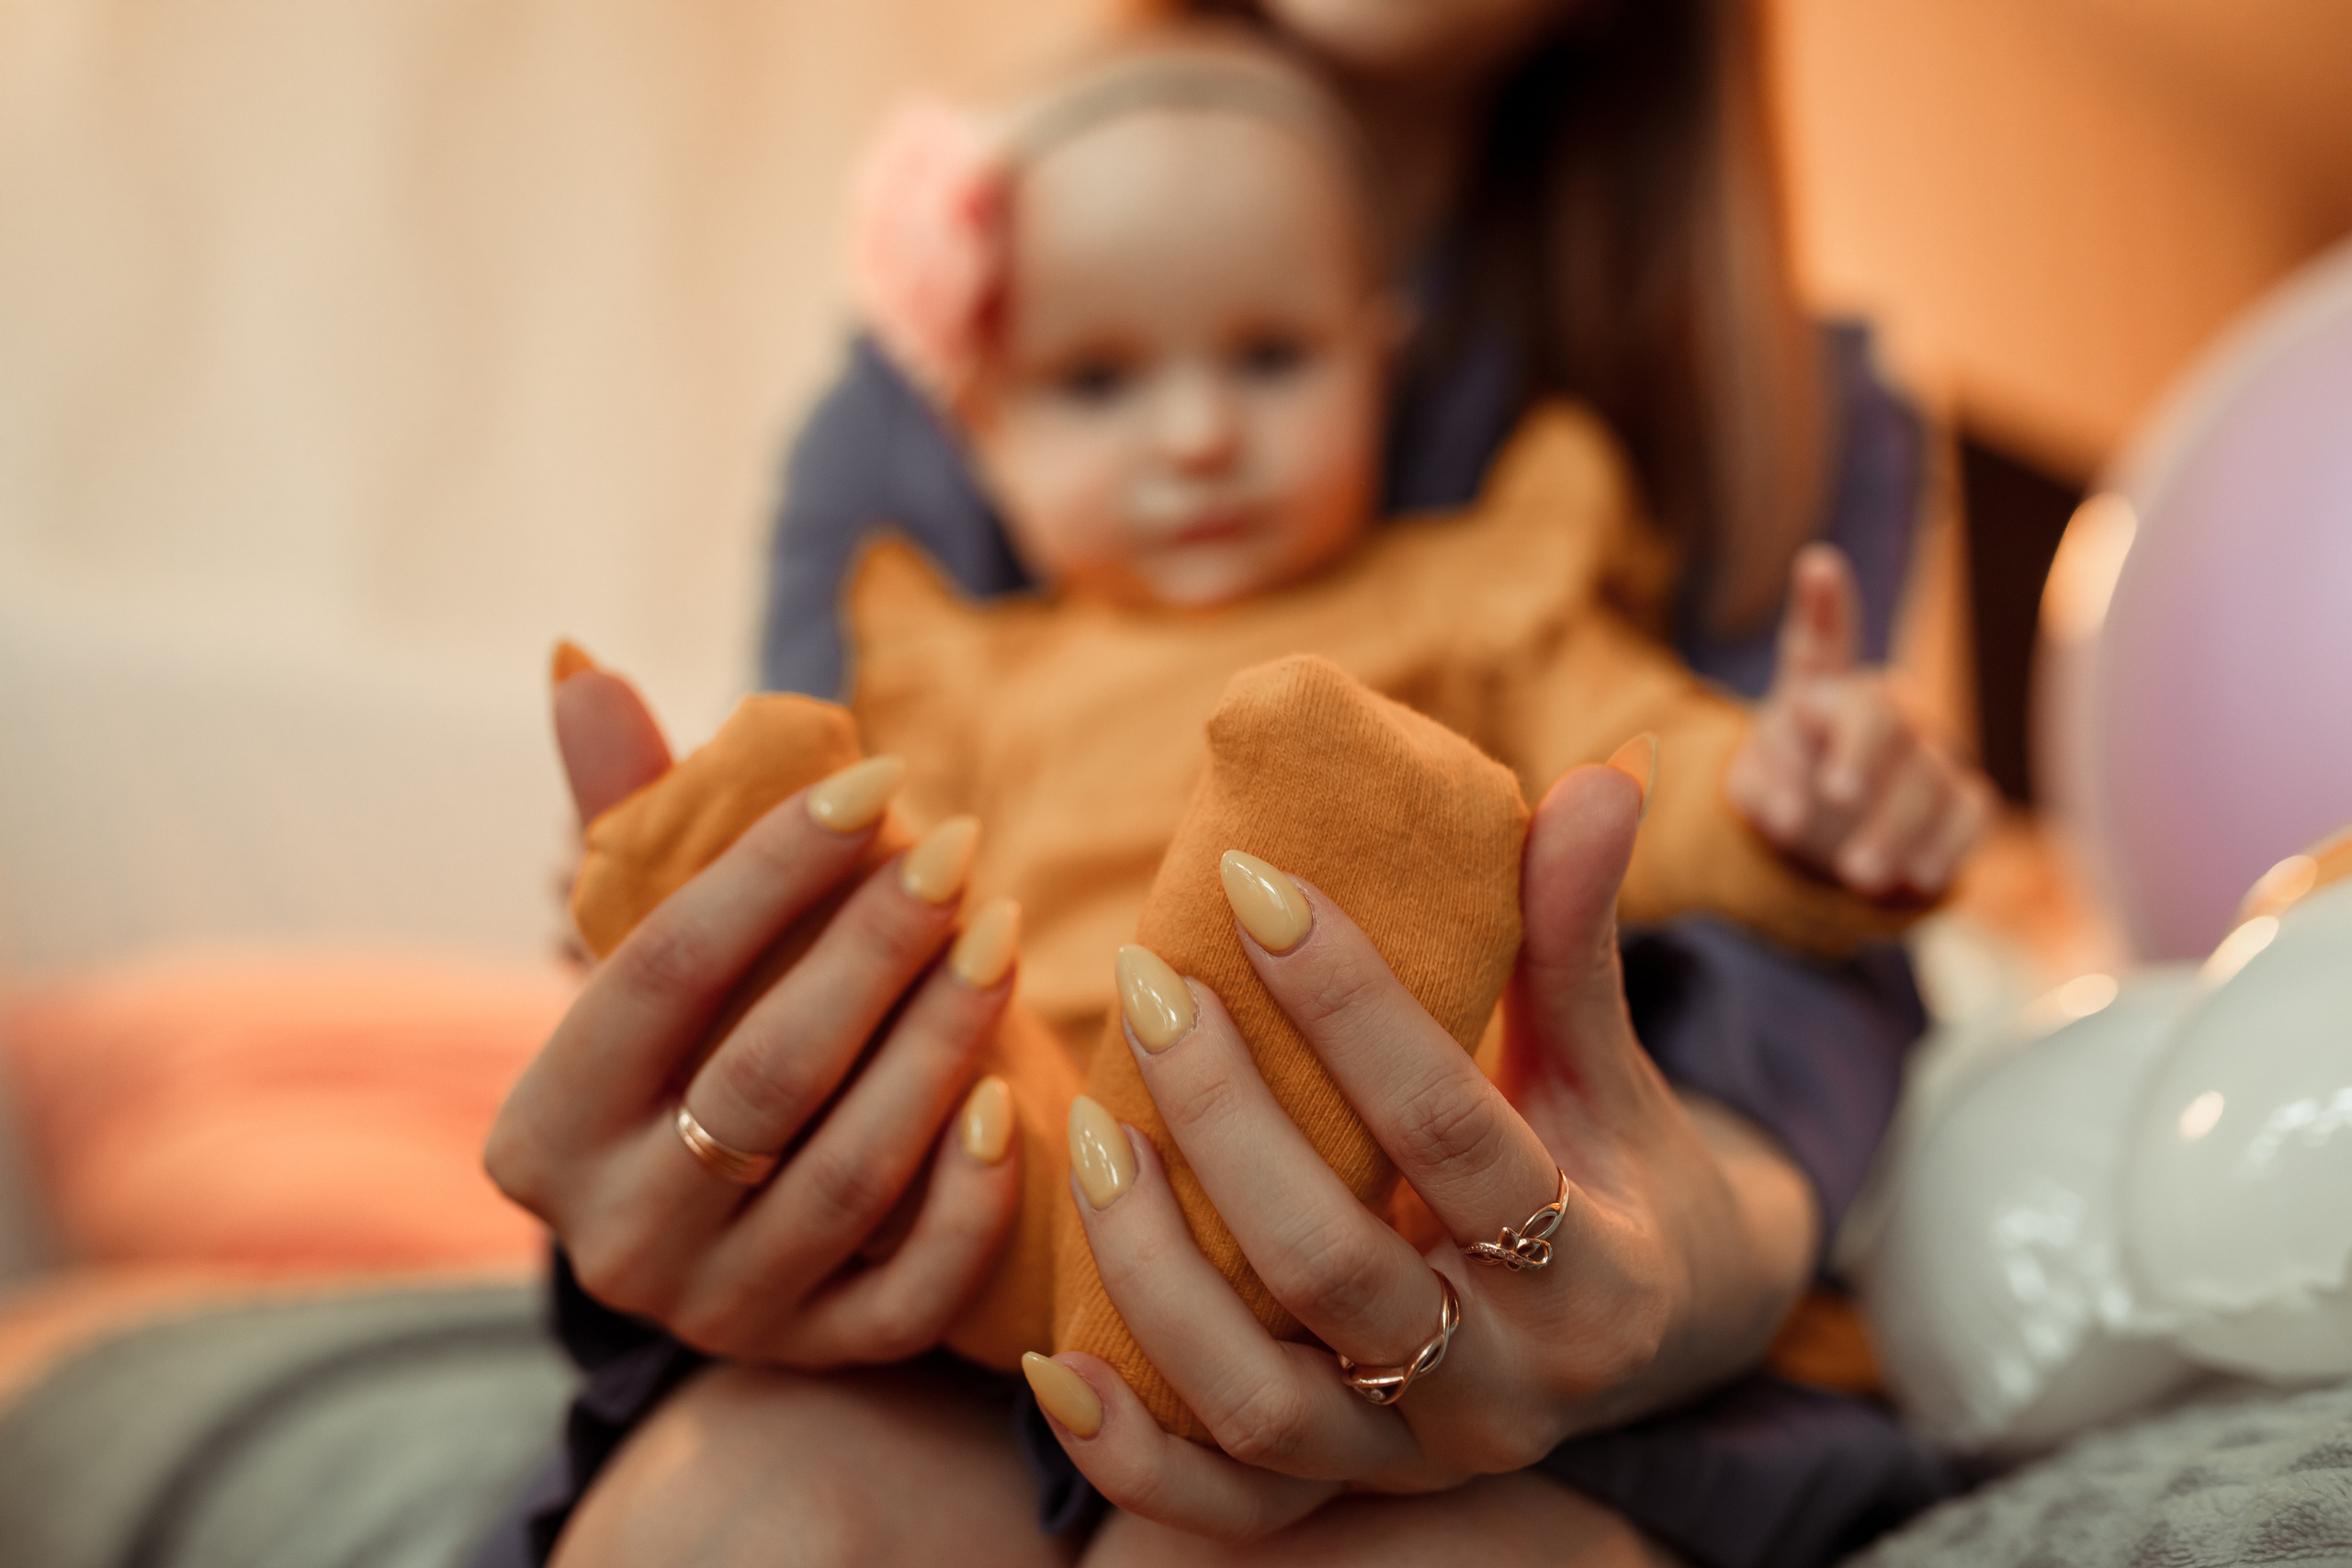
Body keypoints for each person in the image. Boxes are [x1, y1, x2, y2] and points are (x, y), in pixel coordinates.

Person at [481, 3, 1990, 1564]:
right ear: (980, 428)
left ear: (1377, 354)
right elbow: (869, 883)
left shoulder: (1488, 597)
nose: (1197, 437)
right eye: (1098, 385)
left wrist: (1802, 808)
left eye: (1270, 360)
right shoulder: (961, 658)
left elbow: (1662, 782)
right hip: (1005, 1229)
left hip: (1415, 1228)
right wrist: (724, 971)